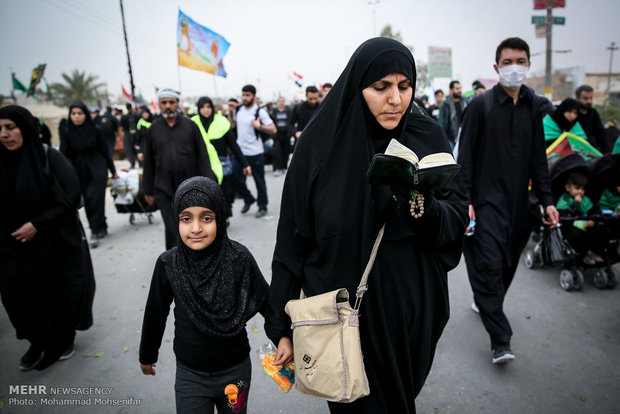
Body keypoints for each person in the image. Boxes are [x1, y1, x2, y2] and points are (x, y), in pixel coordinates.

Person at [265, 37, 469, 413]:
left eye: (404, 86)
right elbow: (292, 237)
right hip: (344, 315)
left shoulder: (427, 136)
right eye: (381, 87)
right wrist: (280, 323)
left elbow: (457, 213)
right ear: (358, 86)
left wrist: (425, 207)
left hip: (412, 307)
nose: (395, 99)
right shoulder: (318, 146)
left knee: (398, 396)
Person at [457, 37, 560, 364]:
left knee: (506, 265)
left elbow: (538, 161)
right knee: (487, 263)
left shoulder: (534, 107)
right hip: (485, 203)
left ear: (529, 64)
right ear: (496, 67)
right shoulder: (480, 106)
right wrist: (465, 199)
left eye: (520, 61)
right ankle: (500, 339)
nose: (514, 67)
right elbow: (466, 158)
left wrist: (548, 201)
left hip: (520, 205)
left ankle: (487, 300)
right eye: (507, 62)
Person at [139, 176, 268, 414]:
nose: (196, 228)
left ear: (219, 217)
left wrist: (283, 337)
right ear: (176, 220)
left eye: (206, 218)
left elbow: (267, 302)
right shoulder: (169, 264)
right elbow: (155, 313)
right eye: (186, 219)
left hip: (235, 372)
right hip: (191, 375)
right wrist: (147, 355)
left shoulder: (238, 258)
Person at [0, 105, 96, 371]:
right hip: (12, 248)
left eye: (10, 127)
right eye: (0, 129)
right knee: (17, 296)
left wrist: (36, 224)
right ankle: (36, 341)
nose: (4, 134)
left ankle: (63, 338)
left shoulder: (47, 157)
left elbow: (71, 198)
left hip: (51, 243)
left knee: (54, 293)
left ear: (25, 129)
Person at [142, 88, 215, 250]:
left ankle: (195, 260)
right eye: (164, 103)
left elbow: (203, 156)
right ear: (160, 105)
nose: (168, 106)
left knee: (192, 227)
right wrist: (147, 189)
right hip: (164, 189)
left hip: (190, 188)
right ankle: (173, 264)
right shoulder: (153, 130)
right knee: (172, 228)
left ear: (177, 104)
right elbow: (148, 162)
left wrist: (209, 185)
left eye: (171, 102)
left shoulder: (190, 126)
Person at [59, 102, 118, 243]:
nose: (77, 117)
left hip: (97, 165)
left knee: (96, 197)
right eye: (74, 114)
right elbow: (64, 153)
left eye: (80, 114)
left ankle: (98, 227)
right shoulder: (67, 132)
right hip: (78, 169)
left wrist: (113, 170)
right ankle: (96, 225)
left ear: (85, 115)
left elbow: (104, 151)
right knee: (87, 198)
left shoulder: (96, 130)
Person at [192, 96, 251, 222]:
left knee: (225, 193)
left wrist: (245, 164)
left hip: (222, 165)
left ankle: (225, 217)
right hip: (203, 165)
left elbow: (234, 146)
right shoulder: (193, 124)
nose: (206, 110)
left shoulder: (221, 123)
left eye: (208, 107)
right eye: (202, 107)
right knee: (206, 194)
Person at [230, 85, 276, 219]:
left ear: (254, 96)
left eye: (248, 95)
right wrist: (229, 112)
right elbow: (233, 126)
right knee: (235, 177)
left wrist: (259, 126)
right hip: (239, 152)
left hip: (255, 152)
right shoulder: (238, 110)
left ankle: (262, 206)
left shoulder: (259, 112)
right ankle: (248, 198)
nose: (245, 97)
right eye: (243, 95)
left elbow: (273, 129)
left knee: (259, 180)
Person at [556, 172, 605, 264]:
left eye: (582, 189)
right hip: (570, 228)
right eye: (577, 188)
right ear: (568, 188)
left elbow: (595, 211)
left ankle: (597, 251)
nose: (580, 192)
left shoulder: (585, 199)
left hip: (585, 226)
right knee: (575, 234)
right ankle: (586, 253)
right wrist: (575, 203)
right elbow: (565, 215)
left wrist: (593, 220)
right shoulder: (564, 199)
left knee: (601, 229)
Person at [575, 85, 610, 153]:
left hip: (591, 151)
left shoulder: (593, 113)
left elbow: (601, 134)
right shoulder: (572, 114)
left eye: (591, 98)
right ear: (577, 98)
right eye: (585, 98)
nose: (589, 101)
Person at [439, 80, 467, 150]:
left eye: (460, 88)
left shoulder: (466, 102)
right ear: (451, 90)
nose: (459, 90)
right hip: (450, 139)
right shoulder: (445, 105)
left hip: (464, 137)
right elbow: (441, 123)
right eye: (457, 89)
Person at [270, 96, 293, 176]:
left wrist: (291, 133)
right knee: (276, 152)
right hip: (277, 134)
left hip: (286, 134)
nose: (281, 102)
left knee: (285, 152)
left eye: (282, 101)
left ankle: (284, 167)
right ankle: (277, 168)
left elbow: (291, 122)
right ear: (277, 102)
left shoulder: (289, 111)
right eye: (280, 101)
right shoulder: (274, 111)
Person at [120, 103, 140, 168]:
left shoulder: (124, 117)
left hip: (128, 135)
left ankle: (133, 163)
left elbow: (121, 127)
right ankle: (139, 163)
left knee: (130, 150)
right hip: (135, 134)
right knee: (136, 149)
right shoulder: (137, 115)